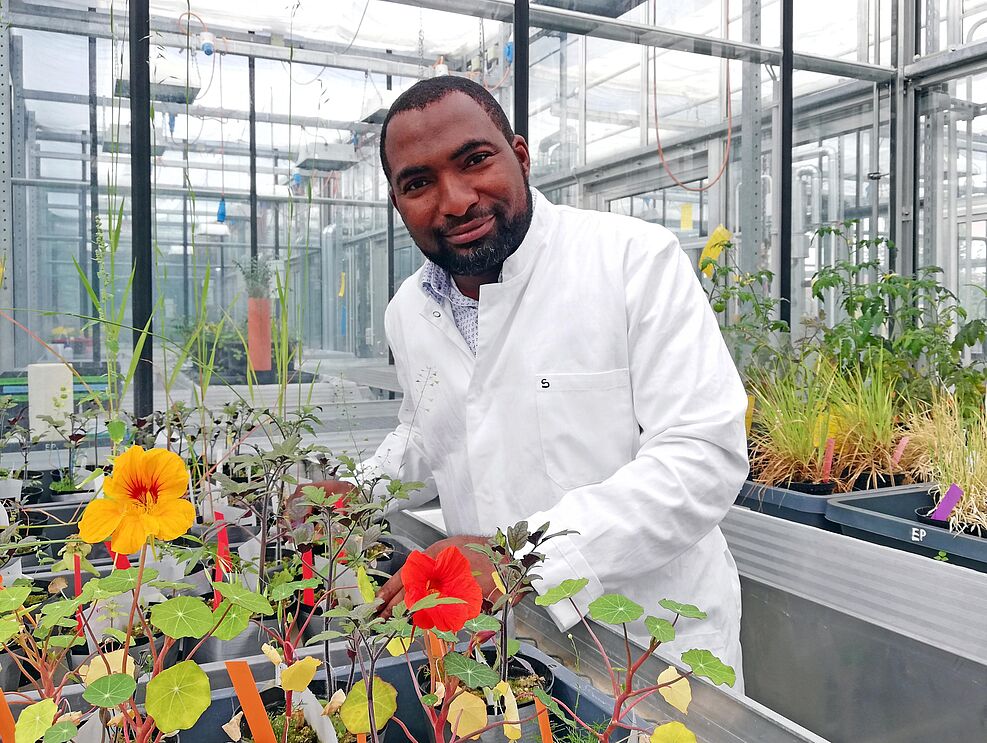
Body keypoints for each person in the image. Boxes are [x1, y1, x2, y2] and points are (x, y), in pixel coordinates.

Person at [311, 76, 749, 686]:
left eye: (475, 160)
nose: (456, 199)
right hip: (499, 648)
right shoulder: (408, 310)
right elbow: (428, 429)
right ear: (397, 201)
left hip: (648, 649)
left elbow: (700, 457)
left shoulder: (630, 260)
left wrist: (517, 560)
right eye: (419, 183)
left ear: (520, 155)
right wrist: (354, 496)